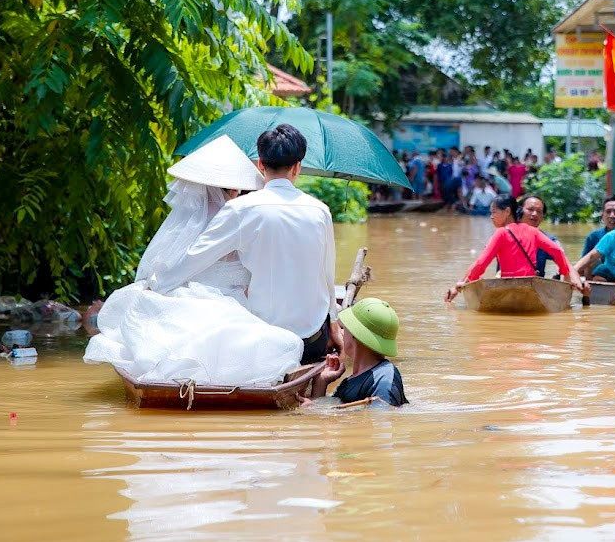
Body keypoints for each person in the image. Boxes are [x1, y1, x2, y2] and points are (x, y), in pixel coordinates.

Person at [84, 135, 305, 386]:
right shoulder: (238, 215)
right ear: (234, 188)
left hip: (196, 295)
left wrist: (156, 285)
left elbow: (182, 264)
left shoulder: (192, 218)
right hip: (231, 302)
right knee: (269, 340)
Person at [174, 124, 338, 363]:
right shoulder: (320, 211)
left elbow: (194, 258)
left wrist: (157, 284)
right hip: (313, 339)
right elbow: (328, 275)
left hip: (265, 340)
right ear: (297, 167)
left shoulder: (241, 209)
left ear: (260, 164)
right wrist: (333, 322)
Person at [445, 196, 585, 302]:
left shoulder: (500, 233)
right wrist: (565, 274)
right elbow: (558, 252)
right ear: (520, 211)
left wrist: (467, 283)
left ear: (507, 212)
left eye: (494, 212)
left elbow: (481, 263)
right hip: (532, 287)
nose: (491, 216)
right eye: (530, 210)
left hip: (507, 286)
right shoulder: (534, 232)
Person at [309, 298, 408, 407]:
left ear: (355, 334)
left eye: (344, 328)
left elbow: (382, 417)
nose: (342, 333)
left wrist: (316, 410)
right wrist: (321, 382)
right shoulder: (350, 381)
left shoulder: (383, 379)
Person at [519, 195, 561, 277]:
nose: (535, 214)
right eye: (530, 210)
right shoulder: (504, 235)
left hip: (535, 286)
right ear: (519, 211)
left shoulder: (549, 240)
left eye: (539, 211)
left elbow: (565, 261)